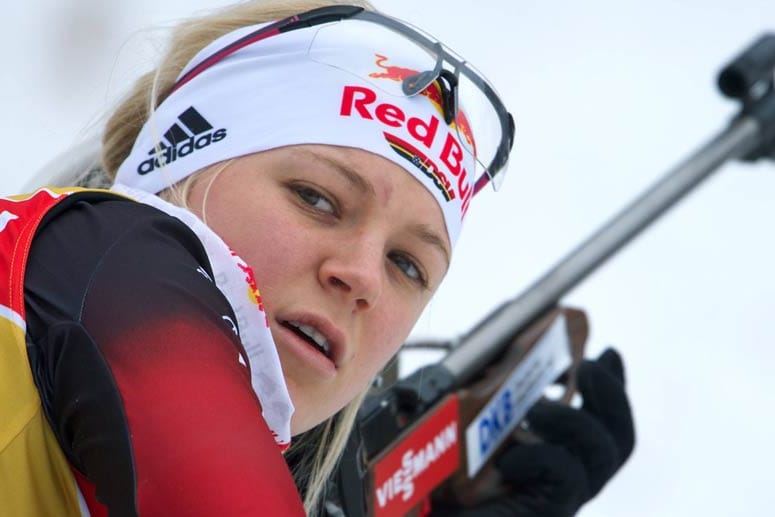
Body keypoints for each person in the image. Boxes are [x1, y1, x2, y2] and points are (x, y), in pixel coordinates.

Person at [0, 1, 632, 516]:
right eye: (316, 199)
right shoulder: (99, 250)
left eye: (407, 265)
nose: (360, 277)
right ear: (173, 170)